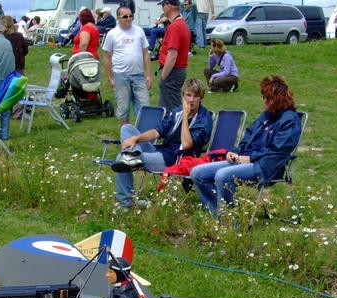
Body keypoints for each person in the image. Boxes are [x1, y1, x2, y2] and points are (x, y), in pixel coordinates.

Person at [192, 75, 301, 217]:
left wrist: (249, 158)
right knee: (197, 173)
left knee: (222, 176)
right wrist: (235, 152)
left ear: (275, 99)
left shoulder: (290, 122)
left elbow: (276, 152)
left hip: (266, 167)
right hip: (246, 161)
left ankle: (230, 222)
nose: (263, 101)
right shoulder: (266, 116)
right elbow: (248, 138)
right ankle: (217, 214)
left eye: (265, 97)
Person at [111, 78, 212, 208]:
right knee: (126, 128)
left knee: (120, 158)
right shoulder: (176, 112)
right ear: (183, 96)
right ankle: (131, 156)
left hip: (174, 159)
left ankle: (125, 204)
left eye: (195, 96)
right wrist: (136, 139)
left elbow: (187, 144)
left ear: (201, 98)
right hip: (161, 151)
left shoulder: (204, 119)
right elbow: (157, 132)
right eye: (188, 95)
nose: (191, 100)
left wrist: (186, 117)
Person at [101, 4, 151, 126]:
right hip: (121, 76)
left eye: (130, 16)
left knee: (145, 108)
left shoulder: (139, 31)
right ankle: (126, 139)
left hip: (138, 76)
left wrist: (148, 75)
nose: (128, 19)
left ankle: (143, 139)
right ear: (118, 18)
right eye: (125, 16)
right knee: (123, 110)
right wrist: (110, 78)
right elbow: (107, 57)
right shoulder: (112, 34)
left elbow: (145, 53)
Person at [157, 0, 189, 112]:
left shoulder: (175, 26)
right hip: (178, 70)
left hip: (173, 71)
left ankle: (177, 129)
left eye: (163, 5)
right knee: (173, 106)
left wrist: (163, 76)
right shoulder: (182, 23)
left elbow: (172, 55)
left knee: (170, 111)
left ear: (169, 5)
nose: (162, 8)